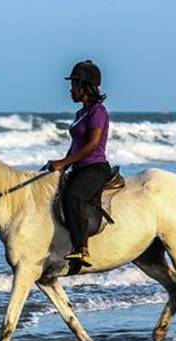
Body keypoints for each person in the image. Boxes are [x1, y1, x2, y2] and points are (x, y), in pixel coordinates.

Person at [47, 60, 110, 267]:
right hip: (79, 167)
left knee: (74, 196)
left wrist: (64, 162)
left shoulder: (97, 112)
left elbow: (92, 145)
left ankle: (81, 249)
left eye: (74, 85)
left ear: (84, 86)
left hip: (95, 167)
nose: (70, 90)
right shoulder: (80, 114)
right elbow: (75, 145)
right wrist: (62, 166)